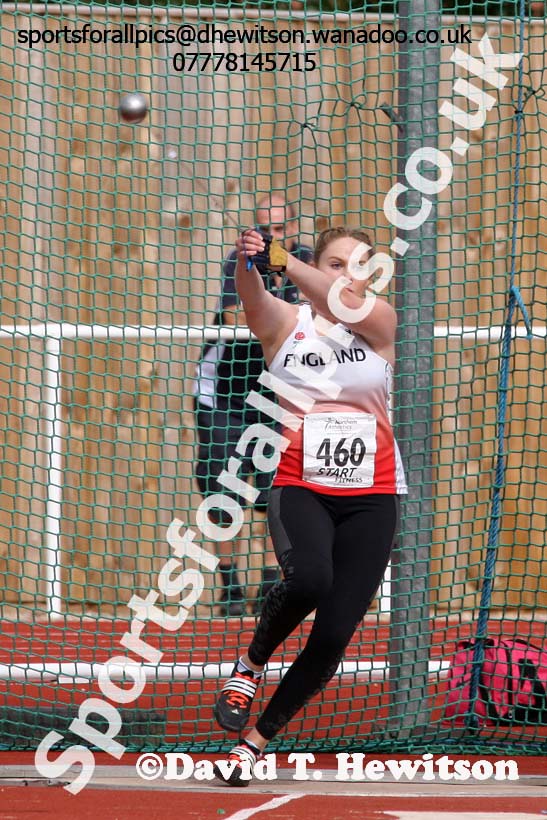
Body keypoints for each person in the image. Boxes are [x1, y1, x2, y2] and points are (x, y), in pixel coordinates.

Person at [212, 224, 407, 785]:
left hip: (375, 497)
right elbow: (252, 295)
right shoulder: (285, 323)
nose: (348, 274)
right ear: (317, 267)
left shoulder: (380, 324)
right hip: (302, 484)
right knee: (309, 580)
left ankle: (253, 743)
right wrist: (253, 261)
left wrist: (286, 261)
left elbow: (354, 306)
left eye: (358, 266)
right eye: (337, 263)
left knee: (332, 637)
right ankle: (249, 666)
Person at [193, 196, 313, 616]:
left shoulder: (303, 262)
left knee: (271, 490)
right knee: (222, 490)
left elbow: (311, 318)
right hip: (225, 393)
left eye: (278, 230)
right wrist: (280, 317)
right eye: (263, 230)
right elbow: (231, 316)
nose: (269, 238)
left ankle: (266, 585)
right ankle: (230, 587)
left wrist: (275, 313)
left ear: (292, 230)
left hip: (277, 394)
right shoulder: (240, 261)